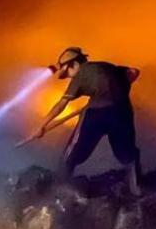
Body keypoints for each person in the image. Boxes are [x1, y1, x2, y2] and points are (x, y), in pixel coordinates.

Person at [33, 46, 143, 195]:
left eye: (68, 73)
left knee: (73, 152)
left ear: (73, 64)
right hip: (122, 111)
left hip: (96, 114)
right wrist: (118, 88)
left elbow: (61, 105)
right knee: (126, 152)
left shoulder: (80, 75)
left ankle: (59, 185)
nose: (69, 77)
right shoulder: (107, 66)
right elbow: (134, 72)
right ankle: (137, 188)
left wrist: (41, 126)